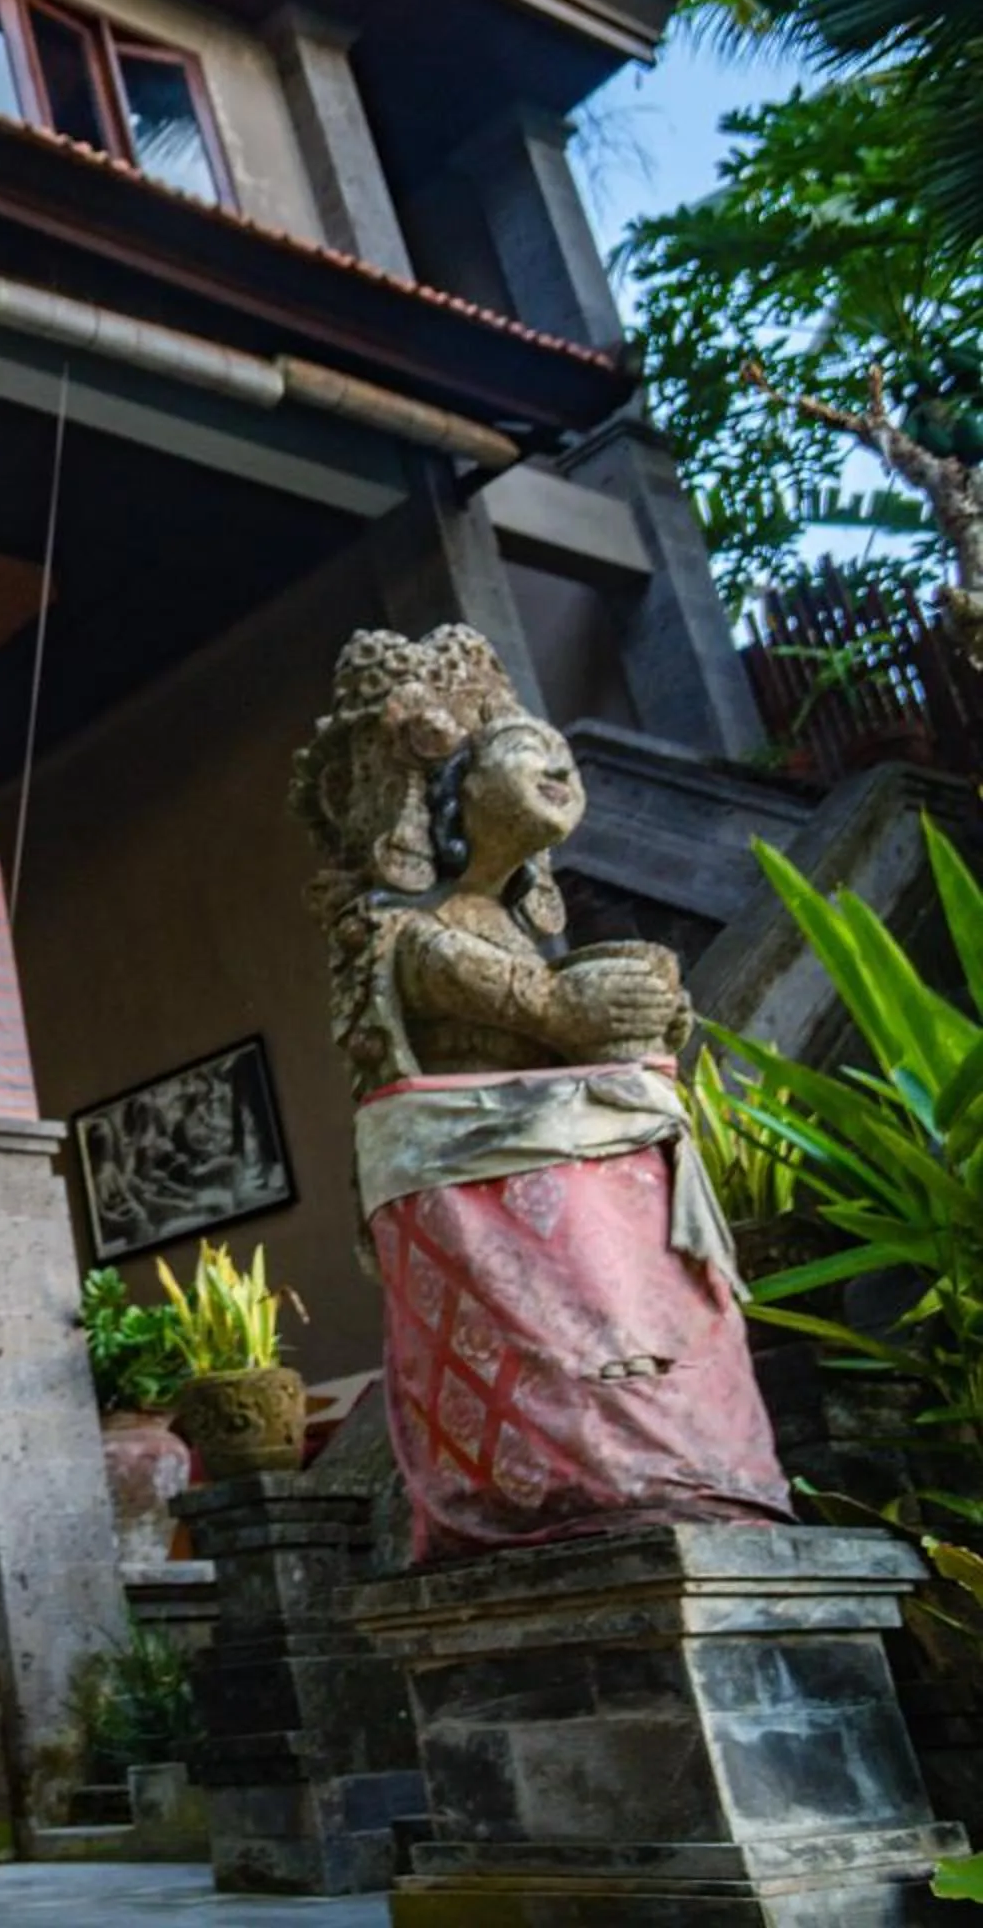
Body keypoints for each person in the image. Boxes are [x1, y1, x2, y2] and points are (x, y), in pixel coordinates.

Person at [290, 626, 788, 1560]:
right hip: (490, 1187)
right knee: (567, 1354)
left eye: (560, 758)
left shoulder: (509, 928)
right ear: (447, 795)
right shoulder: (412, 935)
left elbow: (579, 1018)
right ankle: (592, 1483)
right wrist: (600, 1013)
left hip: (574, 1166)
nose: (555, 767)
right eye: (521, 757)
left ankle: (687, 1472)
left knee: (645, 1332)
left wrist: (653, 1017)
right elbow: (556, 1012)